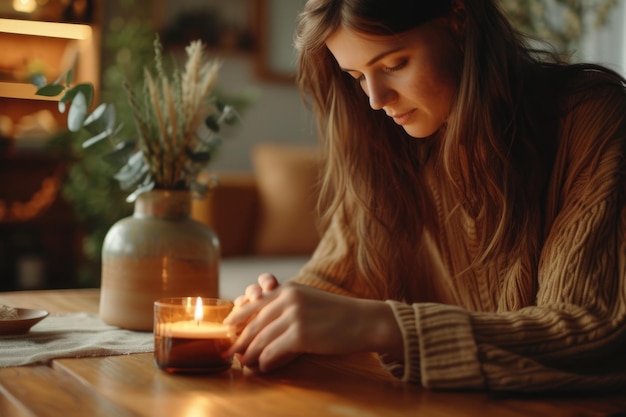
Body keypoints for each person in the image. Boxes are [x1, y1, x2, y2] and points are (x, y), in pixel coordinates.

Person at [224, 0, 626, 392]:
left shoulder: (591, 119)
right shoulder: (383, 143)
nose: (376, 99)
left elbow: (591, 328)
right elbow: (338, 279)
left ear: (458, 18)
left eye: (394, 64)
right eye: (357, 76)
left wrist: (384, 325)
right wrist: (274, 313)